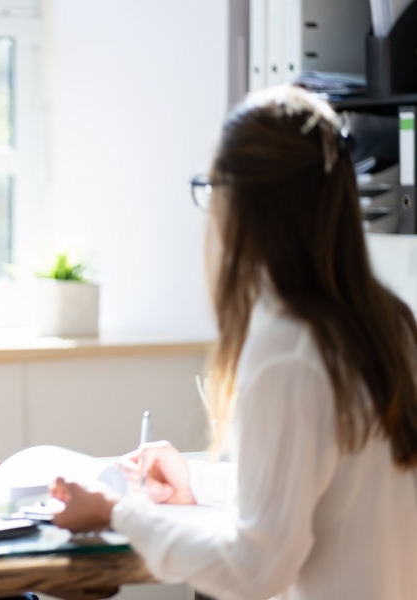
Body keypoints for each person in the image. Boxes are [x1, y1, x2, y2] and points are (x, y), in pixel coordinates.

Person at [50, 85, 417, 599]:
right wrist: (196, 481)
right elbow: (325, 493)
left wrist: (117, 512)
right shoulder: (390, 323)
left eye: (212, 186)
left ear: (244, 202)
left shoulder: (287, 350)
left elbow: (252, 569)